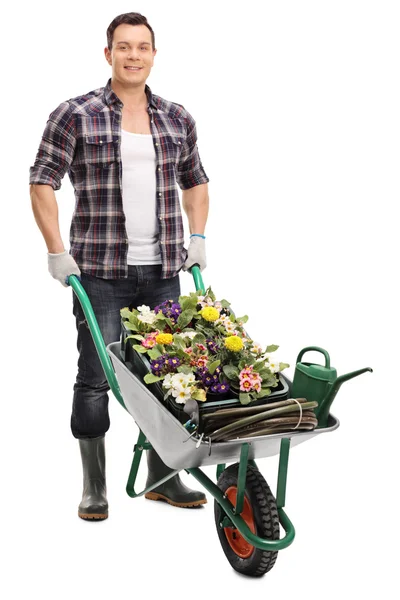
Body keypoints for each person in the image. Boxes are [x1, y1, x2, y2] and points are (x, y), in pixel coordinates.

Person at [29, 12, 209, 520]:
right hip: (100, 273)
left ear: (154, 54)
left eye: (143, 47)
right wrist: (55, 249)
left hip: (164, 271)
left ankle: (162, 478)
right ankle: (95, 486)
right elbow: (43, 180)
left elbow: (195, 180)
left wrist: (197, 236)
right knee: (97, 376)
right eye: (124, 47)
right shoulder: (75, 113)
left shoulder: (177, 117)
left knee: (171, 375)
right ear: (108, 54)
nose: (134, 56)